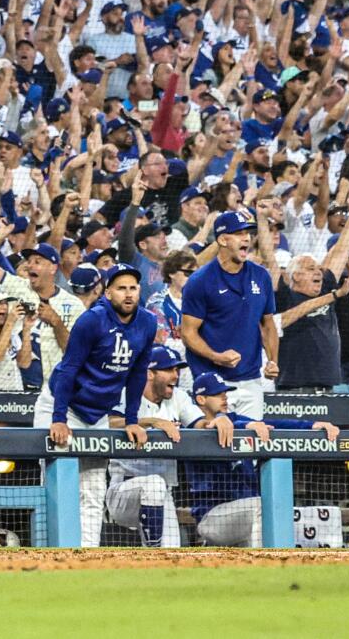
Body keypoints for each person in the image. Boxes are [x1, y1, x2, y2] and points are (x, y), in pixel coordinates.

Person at [35, 263, 159, 548]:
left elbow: (138, 373)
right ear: (108, 291)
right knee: (57, 485)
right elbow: (68, 369)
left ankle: (87, 555)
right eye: (121, 288)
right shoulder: (92, 320)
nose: (128, 294)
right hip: (62, 405)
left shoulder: (147, 323)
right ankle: (50, 552)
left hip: (97, 415)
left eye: (133, 288)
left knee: (92, 489)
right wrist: (58, 418)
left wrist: (131, 420)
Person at [180, 371, 339, 546]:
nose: (224, 397)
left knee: (264, 507)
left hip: (244, 515)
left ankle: (264, 564)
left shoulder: (234, 419)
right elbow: (213, 428)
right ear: (201, 399)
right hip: (212, 518)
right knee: (261, 506)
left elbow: (272, 425)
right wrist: (245, 425)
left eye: (225, 393)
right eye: (217, 394)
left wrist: (312, 425)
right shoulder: (194, 429)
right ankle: (264, 563)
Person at [179, 209, 278, 413]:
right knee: (215, 443)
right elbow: (188, 333)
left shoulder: (261, 276)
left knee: (251, 441)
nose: (247, 239)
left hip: (251, 381)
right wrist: (215, 356)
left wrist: (272, 360)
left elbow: (268, 324)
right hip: (212, 381)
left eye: (248, 234)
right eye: (240, 234)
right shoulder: (200, 281)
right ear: (223, 240)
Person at [103, 346, 195, 547]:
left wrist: (220, 420)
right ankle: (152, 552)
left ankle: (153, 564)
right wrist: (149, 422)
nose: (175, 375)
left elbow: (199, 423)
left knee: (172, 553)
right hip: (124, 491)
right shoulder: (127, 393)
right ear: (150, 373)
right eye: (169, 370)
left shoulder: (179, 397)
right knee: (153, 483)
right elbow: (108, 423)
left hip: (162, 494)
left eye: (177, 370)